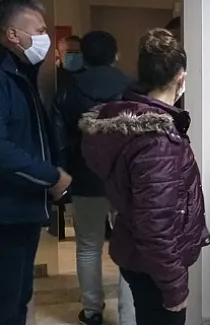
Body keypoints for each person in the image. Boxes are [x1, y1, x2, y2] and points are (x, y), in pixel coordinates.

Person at [79, 29, 210, 325]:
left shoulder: (132, 122)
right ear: (181, 79)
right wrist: (174, 287)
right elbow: (156, 225)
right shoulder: (157, 140)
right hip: (156, 265)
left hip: (138, 254)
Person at [51, 30, 135, 325]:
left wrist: (61, 173)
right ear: (116, 56)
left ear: (83, 57)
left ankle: (91, 312)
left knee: (88, 246)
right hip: (126, 179)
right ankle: (129, 316)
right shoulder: (132, 88)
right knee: (129, 247)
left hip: (85, 176)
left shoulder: (67, 90)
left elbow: (59, 139)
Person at [0, 0, 72, 325]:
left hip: (21, 212)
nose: (46, 39)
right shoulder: (4, 78)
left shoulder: (22, 76)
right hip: (7, 214)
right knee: (8, 303)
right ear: (13, 34)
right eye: (40, 31)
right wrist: (51, 176)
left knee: (19, 297)